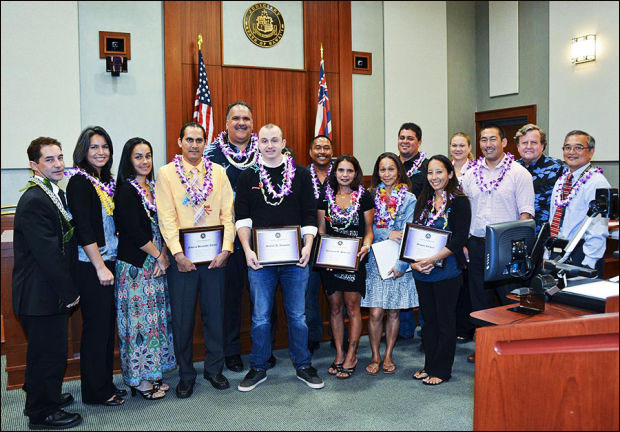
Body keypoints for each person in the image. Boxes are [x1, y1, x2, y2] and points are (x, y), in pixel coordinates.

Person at [235, 123, 324, 391]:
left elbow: (309, 214)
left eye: (275, 140)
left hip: (296, 259)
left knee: (298, 315)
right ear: (257, 143)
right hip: (259, 261)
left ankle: (303, 365)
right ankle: (258, 367)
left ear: (283, 141)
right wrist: (248, 250)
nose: (270, 145)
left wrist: (308, 246)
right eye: (264, 141)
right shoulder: (247, 176)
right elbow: (242, 219)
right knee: (260, 317)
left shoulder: (301, 174)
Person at [155, 122, 235, 397]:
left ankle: (214, 370)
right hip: (183, 262)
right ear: (180, 142)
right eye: (189, 139)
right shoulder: (166, 175)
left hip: (215, 260)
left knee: (216, 316)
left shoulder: (219, 172)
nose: (194, 145)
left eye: (199, 140)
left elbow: (228, 214)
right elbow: (166, 217)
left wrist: (226, 249)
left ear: (205, 143)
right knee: (183, 319)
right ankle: (186, 374)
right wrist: (177, 253)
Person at [13, 137, 83, 429]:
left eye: (60, 158)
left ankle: (46, 395)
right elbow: (47, 255)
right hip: (39, 295)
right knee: (48, 355)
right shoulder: (34, 200)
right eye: (49, 160)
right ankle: (42, 413)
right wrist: (70, 293)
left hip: (46, 292)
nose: (58, 165)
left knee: (45, 352)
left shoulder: (53, 193)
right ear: (34, 165)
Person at [203, 101, 277, 373]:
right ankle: (232, 351)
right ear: (226, 123)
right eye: (236, 118)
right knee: (230, 298)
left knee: (266, 296)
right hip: (228, 238)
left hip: (264, 236)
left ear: (253, 123)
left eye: (246, 118)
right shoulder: (211, 155)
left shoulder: (268, 150)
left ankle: (265, 348)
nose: (241, 123)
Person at [460, 124, 535, 363]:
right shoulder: (470, 173)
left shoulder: (518, 173)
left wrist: (519, 251)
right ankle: (484, 345)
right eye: (483, 140)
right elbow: (463, 211)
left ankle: (514, 348)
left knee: (509, 298)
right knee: (479, 298)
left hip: (507, 245)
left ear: (504, 142)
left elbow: (526, 214)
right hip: (477, 244)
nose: (488, 144)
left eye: (493, 139)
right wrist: (463, 242)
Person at [66, 126, 126, 406]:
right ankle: (95, 392)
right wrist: (100, 266)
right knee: (96, 329)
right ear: (83, 151)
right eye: (94, 147)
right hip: (92, 265)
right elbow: (84, 229)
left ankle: (105, 384)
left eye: (105, 147)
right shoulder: (79, 181)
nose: (101, 152)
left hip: (108, 260)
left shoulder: (104, 181)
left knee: (105, 327)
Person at [113, 137, 176, 400]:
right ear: (129, 160)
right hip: (136, 269)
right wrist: (159, 256)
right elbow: (133, 231)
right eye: (138, 156)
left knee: (156, 323)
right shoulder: (126, 190)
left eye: (148, 155)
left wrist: (165, 255)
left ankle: (153, 373)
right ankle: (139, 381)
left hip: (157, 266)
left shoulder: (154, 187)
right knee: (138, 326)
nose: (145, 161)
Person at [410, 155, 471, 386]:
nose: (434, 177)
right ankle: (429, 365)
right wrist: (415, 262)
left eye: (439, 172)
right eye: (430, 173)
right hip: (422, 270)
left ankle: (442, 370)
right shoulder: (423, 199)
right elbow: (414, 234)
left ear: (450, 174)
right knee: (428, 321)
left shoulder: (459, 201)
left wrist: (432, 259)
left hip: (447, 270)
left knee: (445, 321)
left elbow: (458, 239)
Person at [317, 155, 374, 379]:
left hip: (355, 260)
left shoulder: (364, 197)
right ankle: (339, 352)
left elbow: (368, 230)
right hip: (332, 262)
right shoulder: (325, 196)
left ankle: (352, 353)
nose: (344, 174)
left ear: (356, 173)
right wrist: (324, 255)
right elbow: (322, 229)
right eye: (341, 170)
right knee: (335, 308)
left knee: (353, 308)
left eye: (349, 170)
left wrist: (367, 245)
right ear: (335, 172)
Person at [362, 152, 418, 375]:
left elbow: (408, 231)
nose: (387, 174)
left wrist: (402, 265)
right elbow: (367, 228)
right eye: (382, 169)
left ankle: (388, 355)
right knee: (376, 312)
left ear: (399, 171)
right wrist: (387, 232)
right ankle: (375, 355)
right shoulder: (369, 195)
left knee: (394, 312)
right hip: (375, 260)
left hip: (398, 259)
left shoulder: (410, 198)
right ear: (377, 172)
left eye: (391, 169)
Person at [547, 130, 610, 276]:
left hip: (582, 255)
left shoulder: (597, 182)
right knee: (555, 298)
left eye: (578, 147)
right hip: (558, 250)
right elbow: (553, 218)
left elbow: (598, 229)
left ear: (591, 151)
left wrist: (588, 263)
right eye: (567, 147)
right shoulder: (562, 180)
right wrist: (547, 253)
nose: (572, 152)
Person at [396, 123, 427, 343]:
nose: (405, 141)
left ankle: (426, 330)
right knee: (400, 279)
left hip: (420, 232)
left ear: (419, 142)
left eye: (410, 138)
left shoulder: (426, 167)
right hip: (395, 231)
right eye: (402, 137)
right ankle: (403, 330)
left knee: (422, 282)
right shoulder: (391, 165)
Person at [306, 134, 334, 354]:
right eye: (318, 147)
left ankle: (338, 336)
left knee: (338, 292)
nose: (322, 151)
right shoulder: (299, 175)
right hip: (311, 243)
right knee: (309, 292)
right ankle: (313, 336)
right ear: (311, 152)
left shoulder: (343, 173)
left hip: (338, 243)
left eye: (326, 147)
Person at [449, 132, 476, 343]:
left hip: (469, 230)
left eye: (461, 146)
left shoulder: (475, 171)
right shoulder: (445, 169)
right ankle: (453, 326)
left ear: (469, 148)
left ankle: (466, 327)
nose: (458, 149)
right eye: (454, 145)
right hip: (448, 231)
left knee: (468, 284)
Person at [515, 124, 565, 234]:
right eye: (524, 143)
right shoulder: (512, 169)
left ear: (542, 146)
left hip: (547, 234)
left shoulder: (557, 168)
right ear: (518, 146)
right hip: (516, 232)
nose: (529, 146)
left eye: (534, 142)